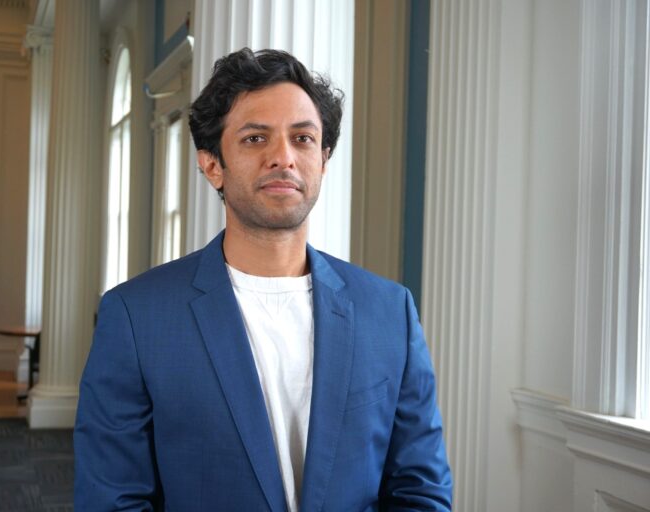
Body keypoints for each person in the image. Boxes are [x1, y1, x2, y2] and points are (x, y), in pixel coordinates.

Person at [74, 48, 452, 512]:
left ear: (323, 160)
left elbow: (420, 490)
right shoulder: (136, 317)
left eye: (303, 138)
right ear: (212, 165)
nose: (283, 158)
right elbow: (113, 501)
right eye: (255, 138)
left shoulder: (390, 311)